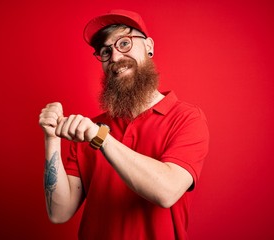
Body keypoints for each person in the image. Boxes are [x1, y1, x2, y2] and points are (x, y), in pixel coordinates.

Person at [39, 9, 209, 240]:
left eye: (125, 43)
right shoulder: (89, 129)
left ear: (149, 46)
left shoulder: (186, 118)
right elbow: (59, 213)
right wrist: (51, 139)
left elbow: (166, 191)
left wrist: (100, 138)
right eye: (106, 51)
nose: (115, 57)